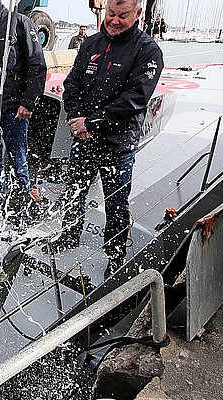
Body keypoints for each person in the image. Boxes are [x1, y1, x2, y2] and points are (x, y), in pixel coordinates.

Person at [50, 0, 163, 276]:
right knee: (73, 193)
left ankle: (114, 254)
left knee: (115, 204)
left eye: (122, 16)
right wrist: (77, 121)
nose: (113, 20)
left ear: (136, 14)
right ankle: (68, 235)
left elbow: (135, 99)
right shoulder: (91, 44)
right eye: (111, 13)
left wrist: (91, 122)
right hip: (84, 139)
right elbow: (72, 84)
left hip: (118, 145)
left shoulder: (148, 51)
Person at [0, 0, 47, 214]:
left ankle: (22, 207)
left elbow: (37, 65)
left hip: (14, 110)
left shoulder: (19, 23)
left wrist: (28, 101)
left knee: (17, 160)